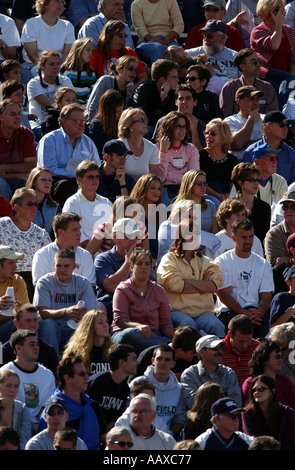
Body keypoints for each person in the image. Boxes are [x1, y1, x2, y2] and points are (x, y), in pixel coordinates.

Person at [157, 218, 225, 336]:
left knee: (217, 325)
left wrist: (185, 284)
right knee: (188, 325)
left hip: (203, 312)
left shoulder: (205, 261)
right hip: (177, 310)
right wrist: (203, 285)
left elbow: (215, 285)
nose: (194, 237)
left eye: (197, 233)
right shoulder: (169, 259)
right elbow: (176, 285)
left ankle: (220, 354)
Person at [33, 248, 98, 358]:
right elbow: (43, 313)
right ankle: (52, 366)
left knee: (91, 324)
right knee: (48, 324)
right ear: (54, 265)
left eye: (66, 266)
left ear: (74, 266)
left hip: (75, 328)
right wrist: (65, 312)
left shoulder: (83, 283)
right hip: (53, 329)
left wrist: (83, 314)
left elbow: (92, 312)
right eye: (59, 266)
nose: (62, 269)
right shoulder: (45, 282)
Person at [215, 219, 274, 339]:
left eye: (251, 237)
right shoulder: (221, 262)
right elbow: (223, 295)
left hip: (256, 313)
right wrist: (243, 313)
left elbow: (267, 295)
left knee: (270, 336)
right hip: (230, 312)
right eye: (243, 237)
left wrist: (259, 313)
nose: (248, 241)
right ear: (233, 238)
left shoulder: (263, 263)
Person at [37, 102, 101, 207]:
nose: (82, 124)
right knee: (64, 185)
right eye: (77, 121)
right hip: (55, 182)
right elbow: (49, 170)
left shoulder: (87, 142)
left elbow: (96, 166)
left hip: (82, 181)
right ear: (64, 121)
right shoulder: (50, 140)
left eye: (83, 121)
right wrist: (77, 175)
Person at [111, 249, 174, 354]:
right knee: (130, 334)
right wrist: (138, 326)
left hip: (153, 335)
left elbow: (166, 324)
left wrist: (177, 339)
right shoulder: (122, 289)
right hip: (126, 333)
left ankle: (172, 345)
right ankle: (167, 345)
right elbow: (121, 321)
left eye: (147, 264)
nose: (144, 267)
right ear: (131, 267)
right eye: (139, 264)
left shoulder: (159, 290)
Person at [39, 355, 107, 450]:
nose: (87, 377)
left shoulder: (92, 406)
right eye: (82, 374)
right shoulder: (53, 409)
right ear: (67, 378)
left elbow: (103, 440)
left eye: (87, 373)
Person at [0, 188, 51, 301]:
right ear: (17, 207)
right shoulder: (1, 225)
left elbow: (50, 260)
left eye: (36, 204)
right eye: (30, 204)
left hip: (32, 281)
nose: (34, 208)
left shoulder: (41, 233)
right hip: (4, 278)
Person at [0, 329, 56, 433]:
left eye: (37, 344)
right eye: (31, 344)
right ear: (18, 348)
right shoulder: (4, 372)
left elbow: (47, 407)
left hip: (41, 427)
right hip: (13, 426)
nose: (36, 348)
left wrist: (38, 427)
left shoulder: (47, 375)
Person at [250, 0, 295, 109]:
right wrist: (278, 24)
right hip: (265, 74)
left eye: (282, 9)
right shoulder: (258, 31)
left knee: (291, 81)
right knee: (288, 79)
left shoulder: (288, 30)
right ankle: (278, 111)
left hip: (286, 76)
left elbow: (293, 60)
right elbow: (274, 45)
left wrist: (293, 80)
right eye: (276, 9)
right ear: (266, 12)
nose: (281, 12)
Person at [32, 211, 96, 287]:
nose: (80, 233)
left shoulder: (86, 255)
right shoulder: (42, 255)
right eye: (75, 230)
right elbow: (41, 289)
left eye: (79, 229)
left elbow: (89, 289)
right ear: (61, 232)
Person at [180, 334, 242, 410]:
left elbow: (236, 404)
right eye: (215, 348)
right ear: (201, 352)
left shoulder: (229, 373)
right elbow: (193, 405)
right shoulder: (189, 375)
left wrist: (206, 399)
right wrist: (223, 398)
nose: (220, 352)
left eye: (221, 348)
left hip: (226, 420)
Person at [62, 160, 113, 249]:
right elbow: (73, 232)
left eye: (97, 177)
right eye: (91, 177)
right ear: (79, 180)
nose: (95, 180)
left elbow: (113, 228)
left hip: (106, 252)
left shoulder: (106, 202)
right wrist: (93, 251)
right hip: (81, 253)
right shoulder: (72, 203)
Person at [87, 343, 138, 430]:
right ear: (122, 362)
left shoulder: (124, 389)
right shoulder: (98, 382)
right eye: (134, 359)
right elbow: (87, 410)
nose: (137, 362)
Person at [140, 344, 187, 438]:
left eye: (167, 360)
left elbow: (180, 419)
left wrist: (168, 435)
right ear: (153, 361)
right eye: (159, 359)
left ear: (173, 364)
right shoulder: (139, 384)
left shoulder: (178, 388)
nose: (162, 362)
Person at [20, 0, 75, 79]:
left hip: (59, 68)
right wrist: (47, 69)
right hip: (35, 66)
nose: (60, 5)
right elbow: (33, 56)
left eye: (62, 2)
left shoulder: (68, 26)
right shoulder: (31, 23)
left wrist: (57, 69)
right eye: (57, 1)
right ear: (45, 4)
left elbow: (66, 56)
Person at [2, 303, 58, 378]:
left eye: (35, 320)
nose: (32, 324)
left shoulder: (48, 351)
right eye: (28, 320)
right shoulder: (4, 351)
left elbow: (55, 383)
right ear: (16, 323)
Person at [27, 49, 74, 137]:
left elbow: (70, 104)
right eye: (51, 64)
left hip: (63, 122)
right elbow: (50, 107)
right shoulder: (33, 83)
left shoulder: (65, 80)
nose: (56, 67)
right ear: (42, 66)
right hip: (40, 124)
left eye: (58, 63)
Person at [90, 19, 148, 91]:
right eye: (120, 36)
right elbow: (89, 77)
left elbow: (143, 76)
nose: (124, 39)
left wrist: (133, 88)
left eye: (125, 36)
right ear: (108, 36)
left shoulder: (129, 52)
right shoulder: (97, 53)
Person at [220, 47, 279, 118]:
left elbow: (272, 117)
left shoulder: (267, 88)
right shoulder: (229, 88)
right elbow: (226, 117)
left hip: (262, 128)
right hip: (237, 128)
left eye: (259, 61)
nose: (258, 65)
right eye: (254, 62)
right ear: (242, 67)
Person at [156, 110, 200, 204]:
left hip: (186, 190)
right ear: (169, 127)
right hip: (165, 190)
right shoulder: (158, 147)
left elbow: (192, 178)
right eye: (178, 126)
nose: (182, 130)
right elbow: (160, 178)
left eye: (184, 127)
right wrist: (163, 152)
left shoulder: (191, 149)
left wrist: (169, 176)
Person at [242, 374, 295, 450]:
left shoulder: (287, 413)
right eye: (254, 390)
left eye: (261, 389)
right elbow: (254, 441)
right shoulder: (247, 413)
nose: (256, 392)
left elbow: (289, 442)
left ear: (272, 391)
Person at [185, 19, 240, 92]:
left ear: (222, 37)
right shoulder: (193, 53)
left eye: (210, 36)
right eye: (204, 35)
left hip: (230, 95)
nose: (206, 39)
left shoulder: (235, 56)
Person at [243, 111, 295, 186]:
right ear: (268, 127)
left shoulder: (292, 154)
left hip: (284, 196)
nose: (286, 128)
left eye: (287, 125)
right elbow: (245, 183)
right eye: (282, 125)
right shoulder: (250, 152)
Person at [241, 339, 295, 410]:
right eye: (277, 357)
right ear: (265, 359)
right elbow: (247, 412)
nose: (281, 360)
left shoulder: (285, 383)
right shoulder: (250, 383)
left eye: (282, 357)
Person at [0, 99, 37, 201]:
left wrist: (5, 168)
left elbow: (31, 164)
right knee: (1, 183)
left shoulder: (26, 134)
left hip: (19, 180)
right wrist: (19, 174)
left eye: (19, 113)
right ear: (1, 117)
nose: (18, 117)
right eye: (12, 114)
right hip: (4, 182)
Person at [134, 325, 200, 381]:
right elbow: (133, 383)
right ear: (180, 350)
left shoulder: (195, 360)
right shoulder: (149, 354)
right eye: (194, 352)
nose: (196, 354)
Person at [153, 83, 206, 151]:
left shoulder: (202, 126)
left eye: (188, 98)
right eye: (181, 98)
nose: (184, 102)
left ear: (195, 102)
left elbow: (201, 156)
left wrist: (194, 132)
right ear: (176, 102)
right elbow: (155, 151)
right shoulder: (163, 122)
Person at [62, 307, 114, 376]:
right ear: (90, 327)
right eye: (100, 322)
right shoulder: (77, 352)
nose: (105, 325)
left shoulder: (114, 351)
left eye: (106, 322)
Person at [131, 0, 184, 66]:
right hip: (146, 42)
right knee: (158, 48)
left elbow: (179, 25)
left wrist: (165, 41)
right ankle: (158, 75)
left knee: (177, 52)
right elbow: (140, 29)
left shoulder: (171, 1)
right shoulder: (136, 3)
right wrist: (157, 41)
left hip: (169, 41)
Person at [130, 59, 178, 130]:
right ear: (162, 80)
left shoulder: (173, 92)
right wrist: (161, 102)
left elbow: (174, 118)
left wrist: (165, 100)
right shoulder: (143, 89)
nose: (178, 80)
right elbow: (142, 117)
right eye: (174, 77)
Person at [199, 118, 238, 206]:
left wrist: (228, 197)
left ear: (223, 137)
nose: (208, 136)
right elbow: (199, 183)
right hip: (206, 196)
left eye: (213, 134)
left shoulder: (232, 160)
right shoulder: (200, 156)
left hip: (227, 197)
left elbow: (233, 185)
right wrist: (218, 196)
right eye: (206, 133)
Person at [85, 55, 135, 124]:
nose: (134, 72)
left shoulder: (128, 96)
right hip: (92, 125)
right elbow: (92, 107)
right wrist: (96, 126)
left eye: (136, 70)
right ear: (119, 69)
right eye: (131, 69)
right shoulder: (105, 80)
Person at [230, 163, 271, 244]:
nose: (256, 184)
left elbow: (264, 237)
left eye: (258, 180)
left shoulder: (264, 207)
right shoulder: (229, 207)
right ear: (240, 182)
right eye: (252, 180)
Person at [224, 85, 264, 161]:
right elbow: (237, 143)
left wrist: (246, 144)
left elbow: (271, 142)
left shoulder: (265, 119)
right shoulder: (230, 121)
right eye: (251, 99)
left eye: (257, 99)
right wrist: (251, 119)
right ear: (239, 102)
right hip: (238, 163)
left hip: (262, 162)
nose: (256, 103)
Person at [118, 108, 159, 182]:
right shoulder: (119, 145)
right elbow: (117, 174)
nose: (146, 122)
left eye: (146, 120)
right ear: (129, 125)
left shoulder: (152, 148)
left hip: (144, 190)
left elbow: (153, 178)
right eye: (141, 120)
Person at [222, 314, 260, 389]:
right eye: (240, 341)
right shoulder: (217, 350)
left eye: (249, 340)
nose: (245, 345)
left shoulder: (258, 348)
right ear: (230, 335)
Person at [0, 246, 29, 344]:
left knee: (26, 323)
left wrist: (19, 309)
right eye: (11, 263)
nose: (15, 267)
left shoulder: (17, 280)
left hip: (7, 328)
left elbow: (26, 311)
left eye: (15, 262)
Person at [130, 174, 162, 261]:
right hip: (137, 260)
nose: (157, 192)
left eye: (159, 189)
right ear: (142, 189)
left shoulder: (164, 214)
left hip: (160, 260)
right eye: (153, 188)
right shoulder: (131, 213)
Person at [96, 138, 135, 203]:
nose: (124, 160)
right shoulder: (91, 176)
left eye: (125, 156)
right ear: (107, 157)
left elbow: (126, 208)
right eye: (120, 156)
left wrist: (122, 184)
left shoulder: (127, 180)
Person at [0, 369, 31, 449]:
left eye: (16, 386)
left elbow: (25, 440)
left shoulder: (23, 409)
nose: (12, 390)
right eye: (9, 385)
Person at [88, 89, 125, 157]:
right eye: (117, 112)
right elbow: (101, 150)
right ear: (108, 111)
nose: (121, 114)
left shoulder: (121, 122)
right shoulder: (97, 125)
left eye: (122, 110)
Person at [25, 167, 59, 239]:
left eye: (50, 180)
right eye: (43, 179)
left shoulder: (54, 206)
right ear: (34, 182)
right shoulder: (23, 204)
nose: (47, 182)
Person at [250, 142, 288, 206]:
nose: (275, 161)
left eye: (276, 158)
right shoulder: (244, 180)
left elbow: (285, 208)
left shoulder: (281, 181)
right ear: (257, 162)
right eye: (271, 159)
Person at [61, 37, 96, 105]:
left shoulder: (91, 74)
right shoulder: (65, 70)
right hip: (69, 107)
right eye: (88, 50)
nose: (90, 53)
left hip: (85, 109)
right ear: (78, 50)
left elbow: (92, 94)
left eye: (92, 51)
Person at [265, 191, 295, 267]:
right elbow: (278, 265)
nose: (288, 210)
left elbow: (285, 262)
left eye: (293, 207)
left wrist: (289, 260)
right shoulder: (273, 234)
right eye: (285, 207)